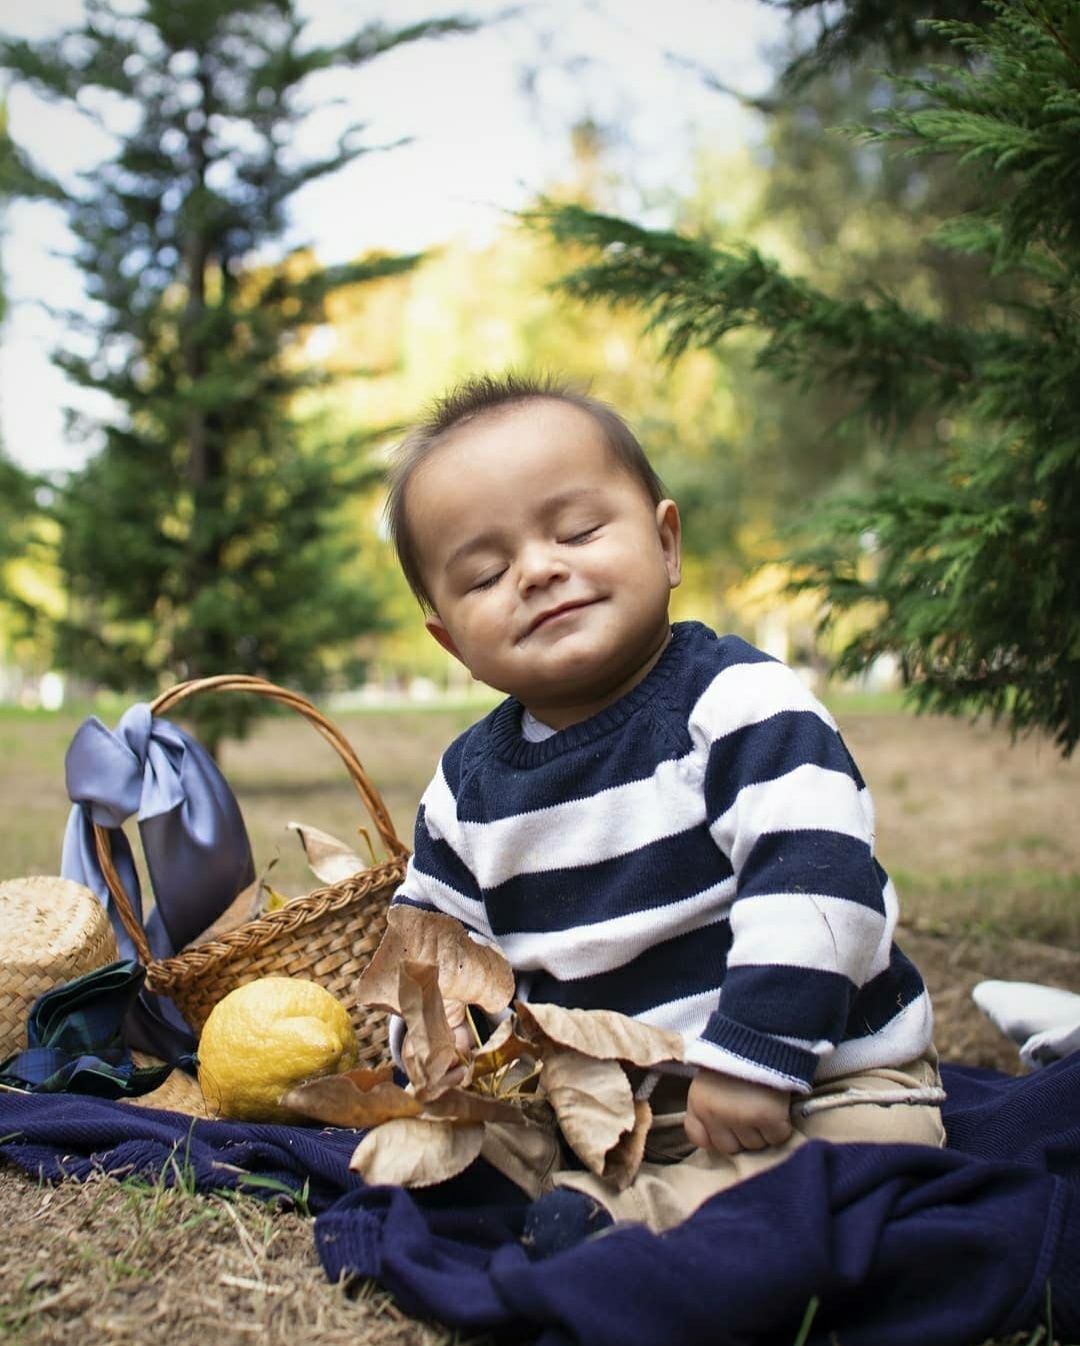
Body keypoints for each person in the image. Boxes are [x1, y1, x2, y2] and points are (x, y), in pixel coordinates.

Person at [383, 371, 944, 1244]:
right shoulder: (466, 791)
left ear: (668, 544)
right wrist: (428, 1051)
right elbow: (429, 953)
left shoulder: (737, 705)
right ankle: (594, 1204)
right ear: (452, 641)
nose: (539, 569)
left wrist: (759, 1056)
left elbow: (821, 884)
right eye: (487, 572)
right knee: (461, 1147)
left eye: (577, 530)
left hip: (820, 1073)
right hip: (609, 1106)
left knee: (863, 1156)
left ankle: (637, 1227)